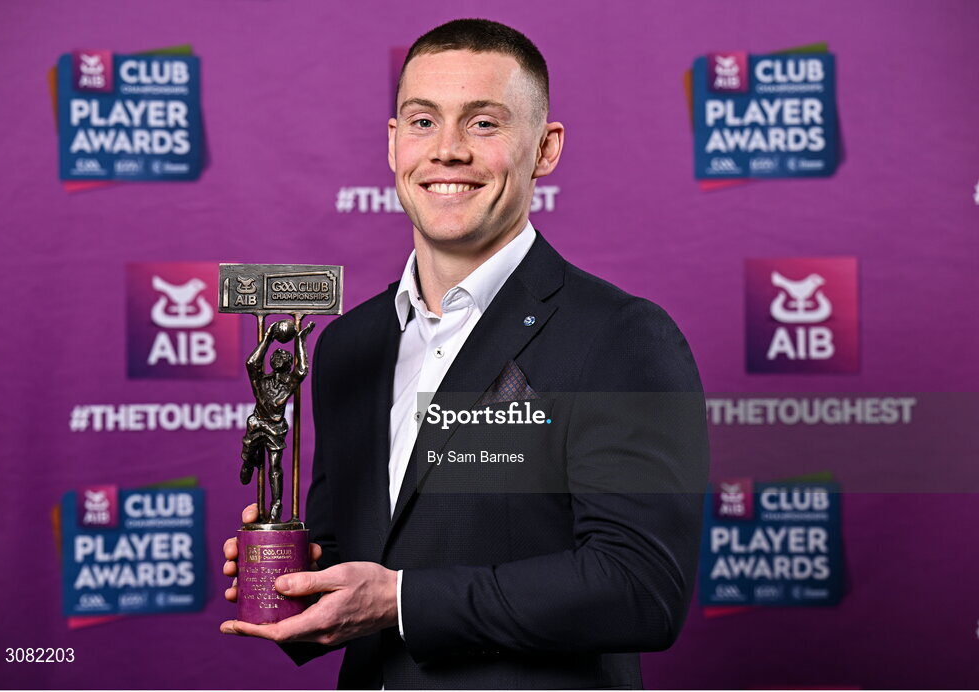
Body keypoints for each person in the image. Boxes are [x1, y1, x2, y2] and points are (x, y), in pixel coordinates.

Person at [221, 18, 709, 689]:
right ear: (394, 144)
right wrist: (298, 580)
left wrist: (398, 602)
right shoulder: (348, 346)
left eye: (483, 124)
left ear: (545, 148)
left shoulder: (619, 337)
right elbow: (365, 560)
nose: (447, 150)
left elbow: (640, 588)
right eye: (423, 121)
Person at [239, 319, 314, 523]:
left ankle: (277, 503)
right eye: (276, 354)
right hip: (256, 424)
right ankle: (248, 461)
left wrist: (300, 340)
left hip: (276, 428)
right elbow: (251, 363)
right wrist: (268, 338)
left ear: (289, 364)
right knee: (249, 454)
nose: (279, 356)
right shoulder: (261, 380)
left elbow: (302, 370)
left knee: (275, 466)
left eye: (284, 355)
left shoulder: (289, 383)